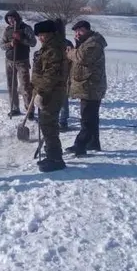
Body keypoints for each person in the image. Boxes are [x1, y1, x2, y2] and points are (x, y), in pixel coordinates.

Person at [65, 20, 108, 157]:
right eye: (76, 31)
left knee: (87, 118)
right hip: (88, 85)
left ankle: (80, 144)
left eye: (81, 30)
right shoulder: (86, 42)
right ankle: (93, 143)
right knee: (91, 117)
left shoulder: (93, 43)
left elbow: (82, 57)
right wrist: (77, 46)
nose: (78, 34)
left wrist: (70, 52)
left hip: (91, 86)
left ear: (88, 30)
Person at [31, 20, 69, 172]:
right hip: (47, 90)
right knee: (47, 124)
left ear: (50, 34)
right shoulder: (47, 48)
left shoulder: (54, 50)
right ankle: (51, 153)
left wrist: (41, 92)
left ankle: (55, 159)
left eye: (42, 35)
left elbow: (51, 76)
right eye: (39, 35)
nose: (40, 38)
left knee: (48, 124)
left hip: (52, 92)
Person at [0, 10, 36, 119]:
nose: (11, 20)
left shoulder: (26, 28)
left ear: (17, 18)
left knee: (25, 86)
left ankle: (29, 110)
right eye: (9, 19)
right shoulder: (7, 30)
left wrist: (22, 39)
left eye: (13, 18)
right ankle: (15, 108)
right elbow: (2, 45)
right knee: (11, 85)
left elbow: (33, 42)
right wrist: (10, 44)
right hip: (9, 61)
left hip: (22, 61)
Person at [54, 19, 74, 131]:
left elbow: (72, 59)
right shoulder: (51, 43)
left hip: (63, 74)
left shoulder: (66, 44)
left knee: (63, 98)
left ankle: (63, 121)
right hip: (54, 74)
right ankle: (59, 120)